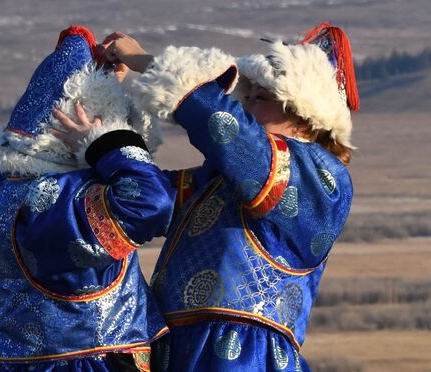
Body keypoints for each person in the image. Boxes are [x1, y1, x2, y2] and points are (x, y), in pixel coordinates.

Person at [95, 22, 359, 371]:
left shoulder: (319, 177)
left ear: (303, 114)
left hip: (243, 354)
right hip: (178, 351)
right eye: (245, 97)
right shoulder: (221, 180)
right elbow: (145, 195)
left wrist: (145, 61)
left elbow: (223, 126)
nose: (246, 107)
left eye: (261, 98)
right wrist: (106, 116)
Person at [0, 25, 174, 372]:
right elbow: (151, 202)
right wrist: (103, 141)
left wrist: (95, 86)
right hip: (95, 364)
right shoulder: (62, 202)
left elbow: (24, 157)